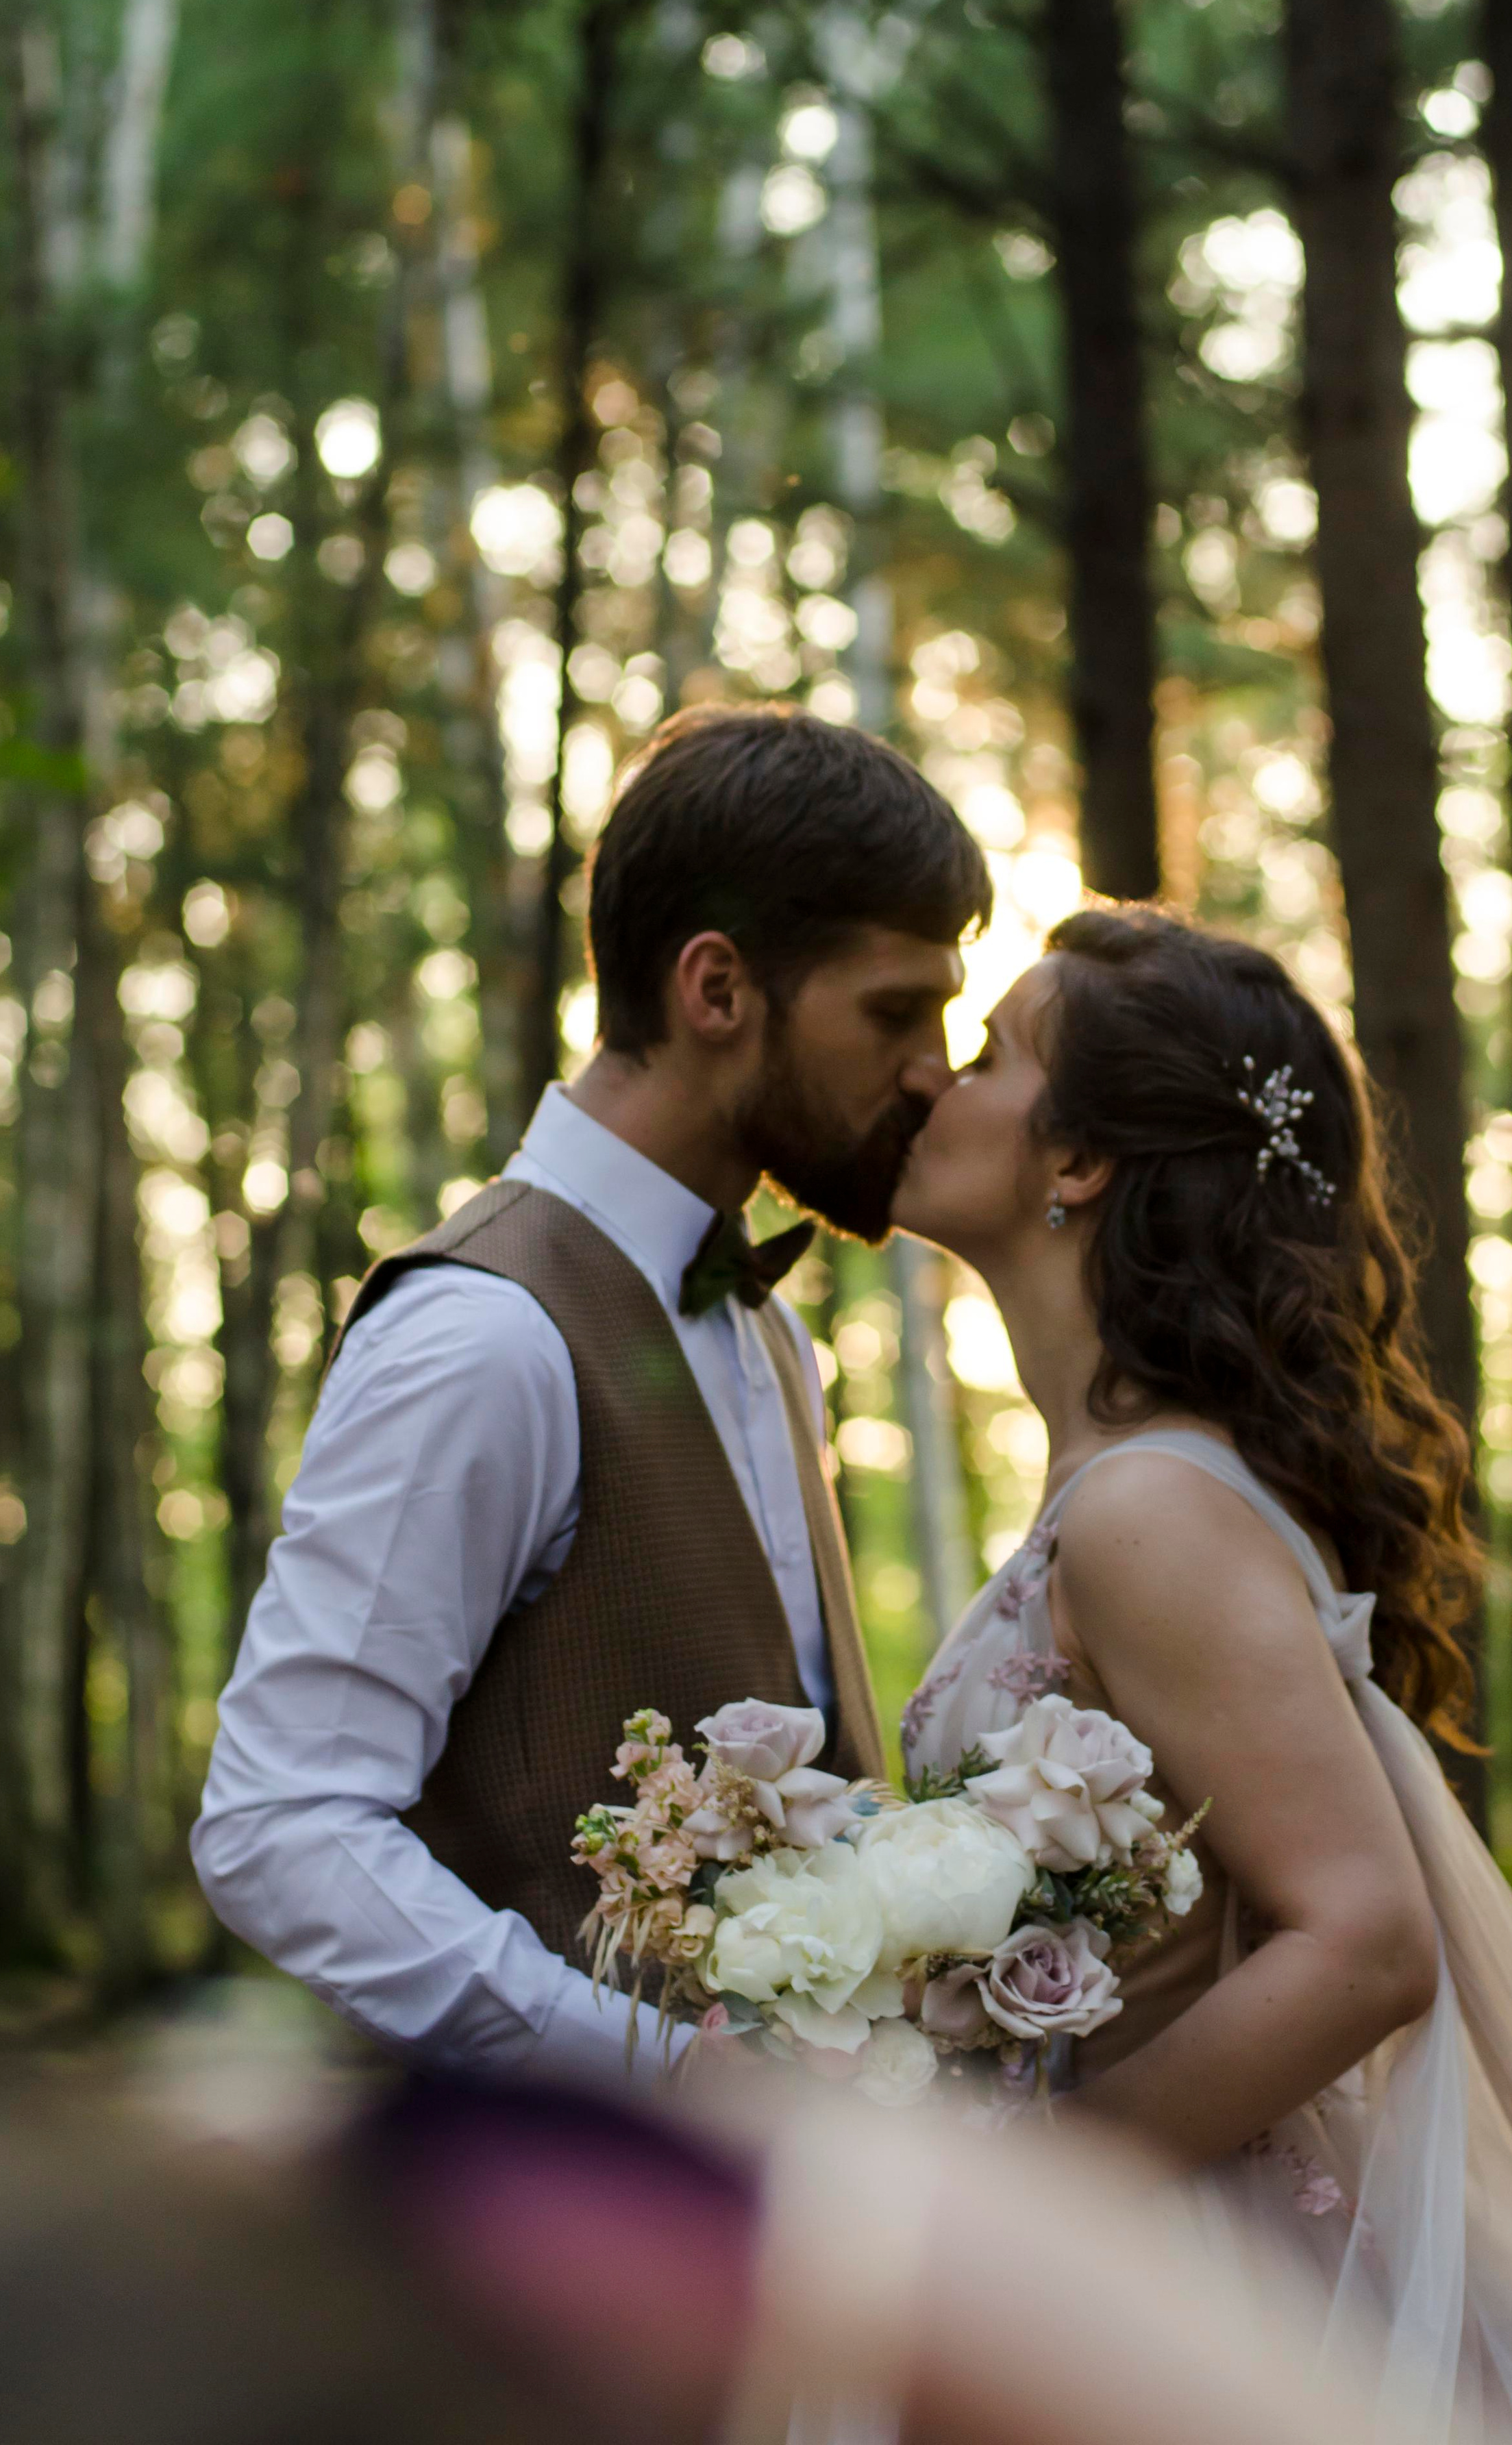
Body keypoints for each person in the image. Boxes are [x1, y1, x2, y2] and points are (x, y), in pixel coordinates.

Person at [893, 904, 1512, 2445]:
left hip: (1165, 2289)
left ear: (1077, 1163)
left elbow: (1364, 1942)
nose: (935, 1083)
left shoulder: (1149, 1510)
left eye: (989, 1052)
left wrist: (1030, 2189)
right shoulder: (1137, 1489)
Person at [192, 706, 990, 2083]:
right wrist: (656, 2078)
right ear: (717, 988)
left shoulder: (773, 1340)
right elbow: (283, 1825)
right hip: (516, 2250)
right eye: (893, 1010)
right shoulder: (481, 1335)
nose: (931, 1067)